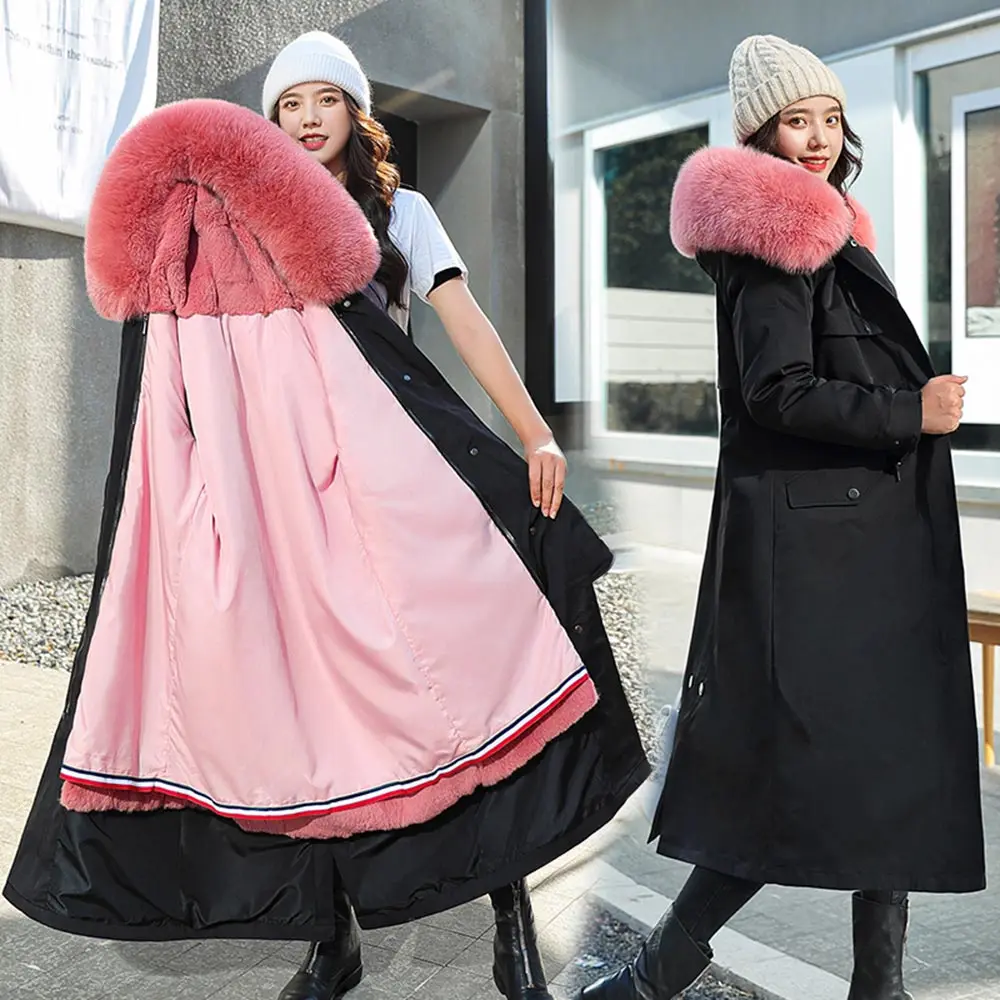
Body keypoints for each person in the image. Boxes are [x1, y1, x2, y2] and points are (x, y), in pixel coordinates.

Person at [3, 48, 648, 1000]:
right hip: (284, 505)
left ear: (357, 111)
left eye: (327, 100)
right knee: (297, 712)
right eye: (289, 105)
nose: (308, 119)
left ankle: (509, 916)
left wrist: (535, 434)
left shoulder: (401, 214)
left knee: (463, 681)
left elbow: (464, 322)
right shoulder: (232, 223)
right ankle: (328, 939)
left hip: (388, 484)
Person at [578, 34, 985, 1000]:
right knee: (792, 776)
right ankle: (654, 973)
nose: (818, 136)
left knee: (884, 766)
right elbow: (776, 390)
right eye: (796, 120)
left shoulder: (830, 234)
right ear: (761, 134)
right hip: (821, 560)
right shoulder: (778, 239)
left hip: (860, 549)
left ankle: (876, 986)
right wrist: (910, 411)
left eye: (829, 118)